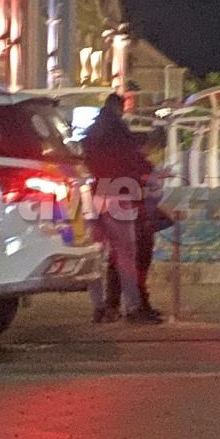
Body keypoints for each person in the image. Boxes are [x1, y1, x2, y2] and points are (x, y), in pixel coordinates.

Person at [81, 93, 163, 324]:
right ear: (120, 107)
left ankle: (100, 308)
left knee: (95, 255)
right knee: (126, 254)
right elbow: (132, 162)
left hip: (93, 196)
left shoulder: (90, 133)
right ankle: (133, 308)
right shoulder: (120, 132)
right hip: (117, 196)